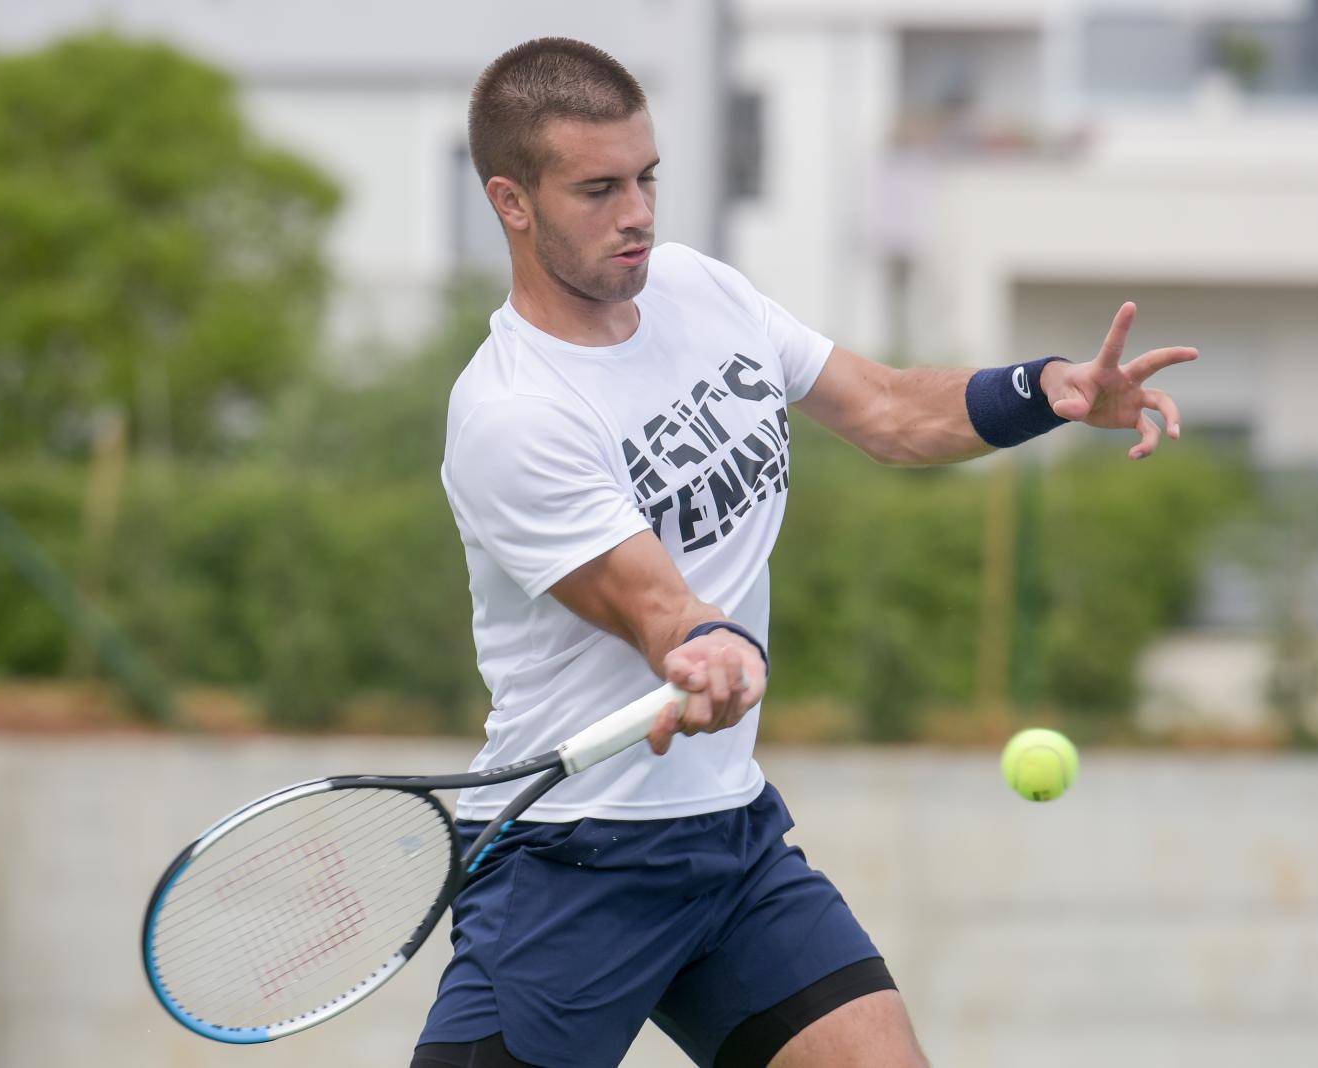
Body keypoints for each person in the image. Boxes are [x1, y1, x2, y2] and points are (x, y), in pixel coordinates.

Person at [411, 37, 1196, 1068]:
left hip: (726, 845)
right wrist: (707, 647)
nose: (637, 213)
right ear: (512, 202)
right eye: (597, 189)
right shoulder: (512, 415)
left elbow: (885, 411)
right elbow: (651, 602)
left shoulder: (698, 291)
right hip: (572, 860)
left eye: (647, 178)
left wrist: (1038, 389)